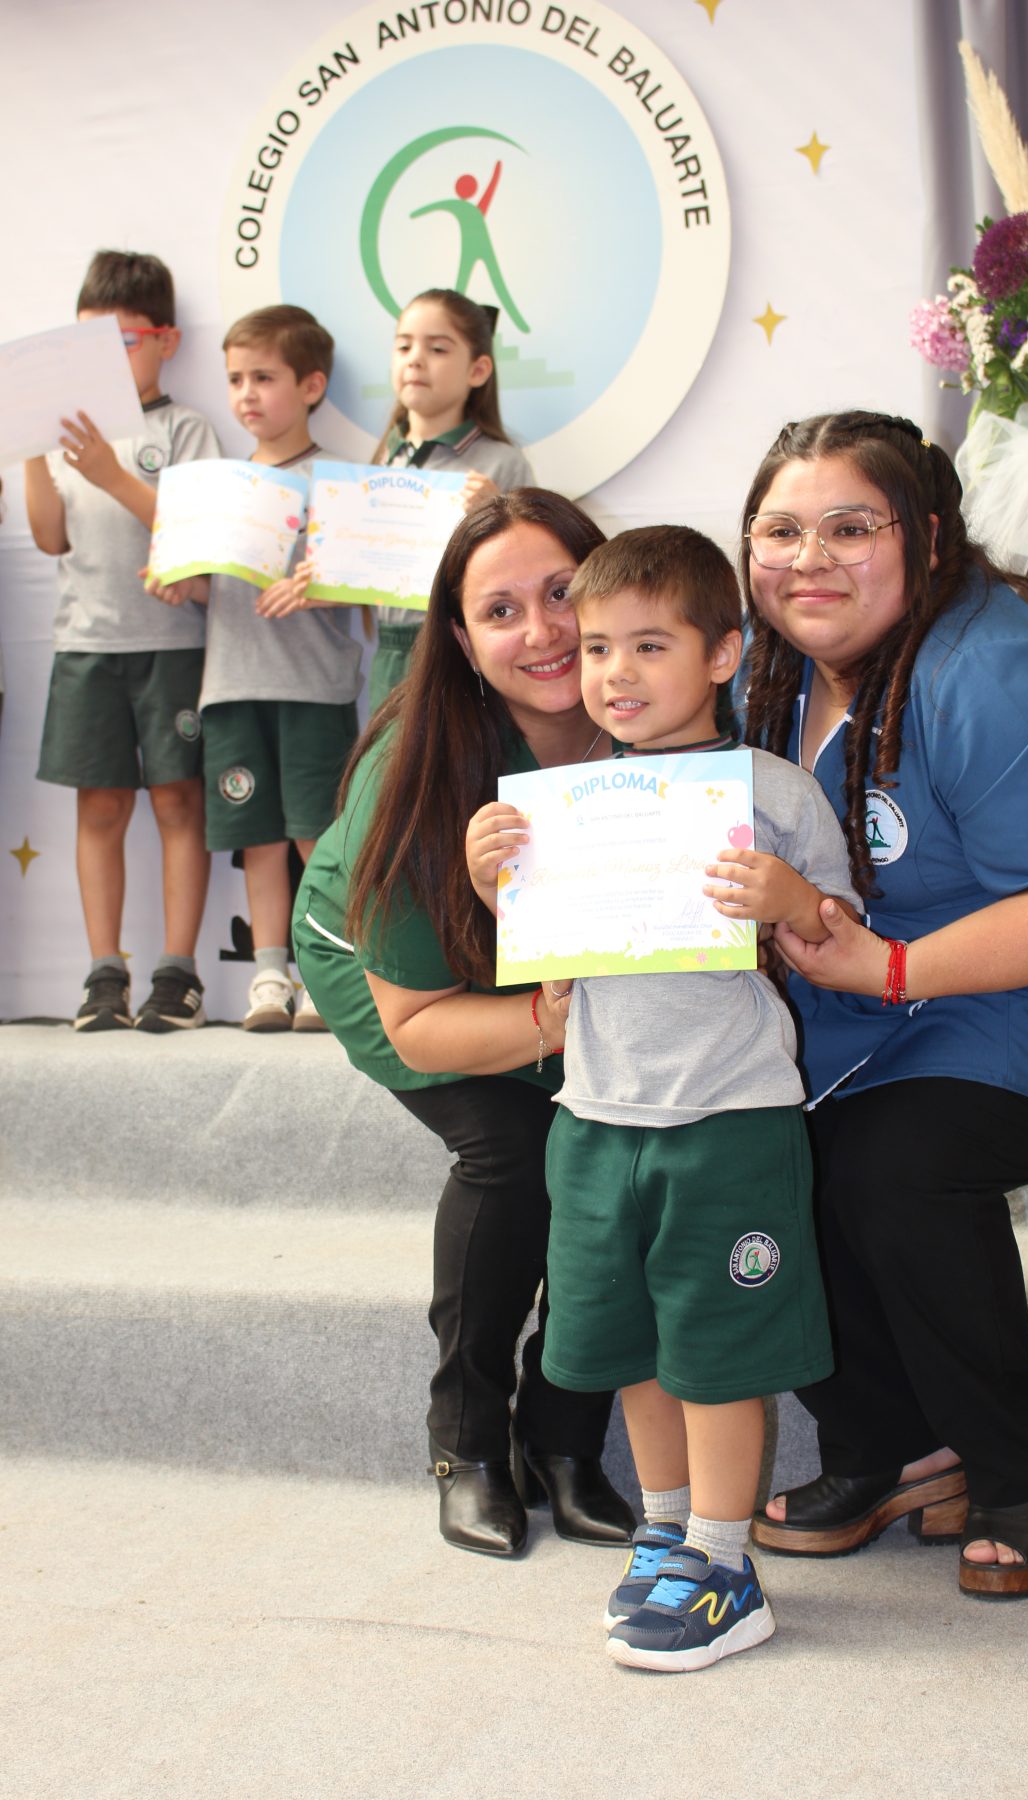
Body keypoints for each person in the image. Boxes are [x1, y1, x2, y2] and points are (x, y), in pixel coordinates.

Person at [738, 411, 1028, 1600]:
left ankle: (1016, 1467)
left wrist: (888, 972)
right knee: (746, 1152)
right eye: (780, 531)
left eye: (852, 527)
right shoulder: (770, 670)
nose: (809, 559)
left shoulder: (989, 670)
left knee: (893, 1167)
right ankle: (892, 1449)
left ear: (930, 537)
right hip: (882, 996)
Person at [471, 525, 860, 1671]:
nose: (616, 673)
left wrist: (792, 899)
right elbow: (551, 964)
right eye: (598, 648)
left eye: (650, 645)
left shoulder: (773, 792)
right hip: (596, 1116)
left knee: (716, 1354)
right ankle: (666, 1531)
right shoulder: (564, 802)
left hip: (728, 1120)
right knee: (637, 1345)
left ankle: (725, 1564)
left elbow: (840, 939)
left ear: (724, 652)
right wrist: (498, 880)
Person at [294, 488, 633, 1558]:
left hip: (562, 978)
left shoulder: (657, 709)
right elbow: (421, 1028)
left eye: (563, 593)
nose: (542, 632)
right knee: (520, 1147)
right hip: (406, 976)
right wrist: (552, 1022)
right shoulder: (417, 764)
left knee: (629, 1146)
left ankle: (565, 1440)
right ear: (460, 636)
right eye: (500, 611)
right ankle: (469, 1442)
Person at [24, 250, 220, 1032]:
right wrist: (31, 450)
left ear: (166, 340)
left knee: (179, 800)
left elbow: (200, 537)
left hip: (173, 645)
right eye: (85, 345)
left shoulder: (184, 428)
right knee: (100, 806)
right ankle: (103, 973)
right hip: (87, 645)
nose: (101, 361)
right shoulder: (64, 438)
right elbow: (50, 538)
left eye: (122, 342)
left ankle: (177, 973)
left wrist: (111, 473)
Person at [197, 304, 361, 1031]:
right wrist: (178, 582)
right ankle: (270, 975)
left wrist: (324, 585)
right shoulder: (217, 486)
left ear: (311, 385)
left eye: (264, 377)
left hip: (313, 688)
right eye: (236, 379)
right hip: (232, 684)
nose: (247, 394)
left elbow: (369, 586)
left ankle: (325, 975)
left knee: (316, 838)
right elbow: (208, 584)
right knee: (258, 837)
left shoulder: (339, 483)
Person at [367, 288, 532, 710]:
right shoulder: (382, 461)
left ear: (478, 370)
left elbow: (530, 567)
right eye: (404, 346)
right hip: (390, 652)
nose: (415, 360)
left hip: (464, 649)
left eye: (437, 348)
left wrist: (497, 514)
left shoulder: (501, 463)